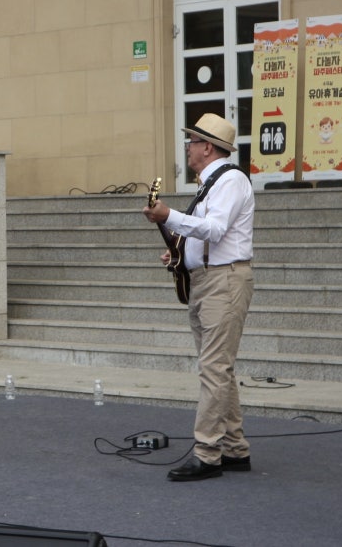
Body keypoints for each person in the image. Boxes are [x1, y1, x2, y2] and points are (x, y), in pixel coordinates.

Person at [143, 113, 255, 482]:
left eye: (191, 141)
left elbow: (216, 229)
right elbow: (205, 233)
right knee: (218, 368)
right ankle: (235, 449)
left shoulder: (231, 180)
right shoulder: (211, 183)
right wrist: (180, 253)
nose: (187, 147)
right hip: (208, 281)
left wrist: (169, 216)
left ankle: (208, 453)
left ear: (207, 147)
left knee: (213, 368)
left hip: (224, 282)